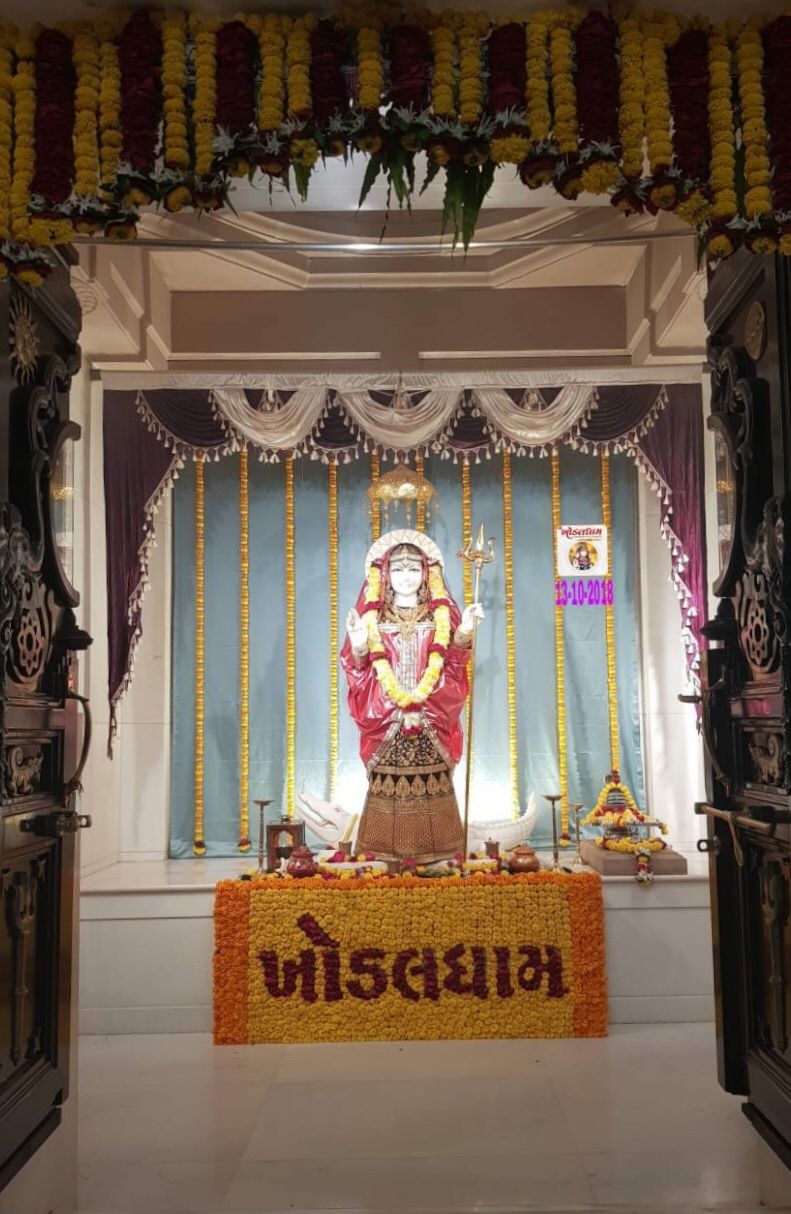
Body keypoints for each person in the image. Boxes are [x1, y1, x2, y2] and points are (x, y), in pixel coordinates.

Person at [341, 529, 484, 862]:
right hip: (387, 720)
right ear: (385, 575)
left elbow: (452, 666)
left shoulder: (440, 616)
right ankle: (383, 853)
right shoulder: (373, 617)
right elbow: (360, 671)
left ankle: (440, 853)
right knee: (385, 792)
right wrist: (359, 640)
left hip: (430, 719)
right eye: (398, 569)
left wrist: (464, 631)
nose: (406, 577)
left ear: (426, 575)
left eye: (413, 569)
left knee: (434, 791)